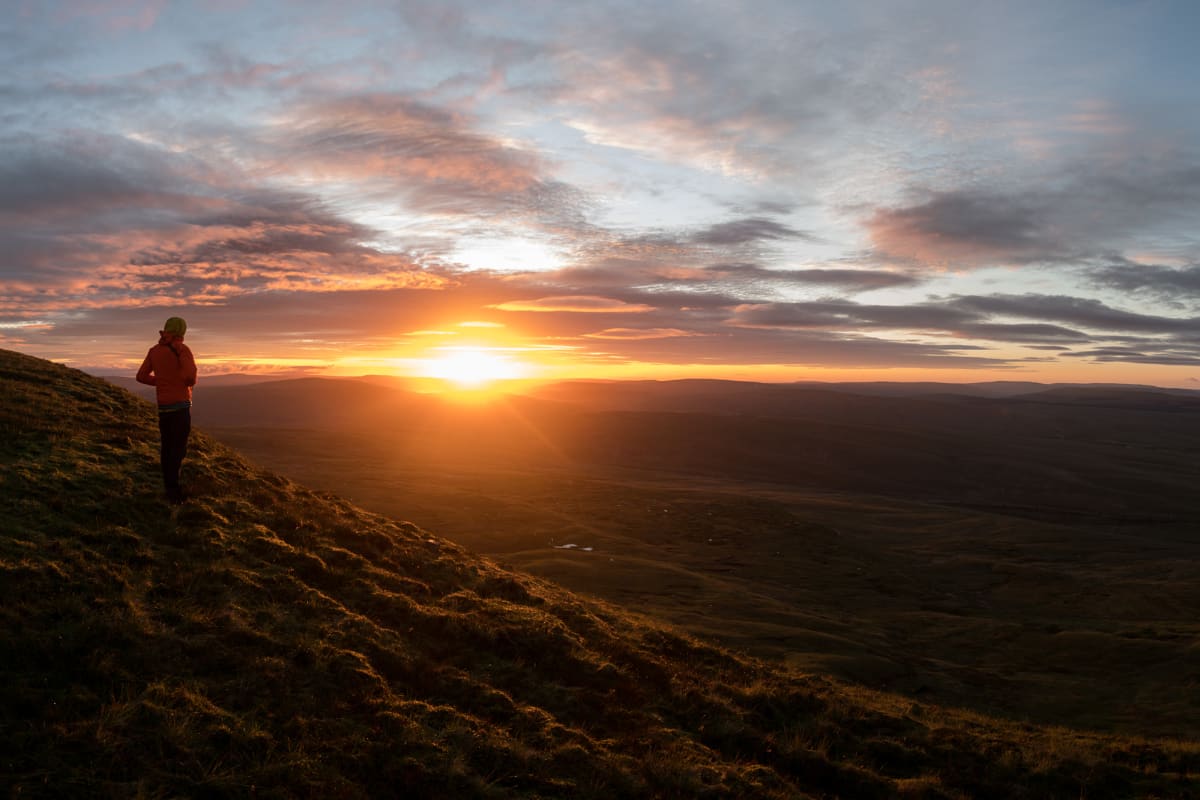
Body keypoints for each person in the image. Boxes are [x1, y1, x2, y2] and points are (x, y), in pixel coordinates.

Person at [136, 316, 198, 504]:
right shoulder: (182, 349)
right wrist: (183, 382)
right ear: (182, 331)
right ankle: (174, 491)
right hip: (180, 407)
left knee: (167, 447)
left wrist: (161, 381)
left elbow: (141, 376)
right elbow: (190, 377)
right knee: (178, 449)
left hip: (163, 408)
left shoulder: (154, 351)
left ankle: (169, 485)